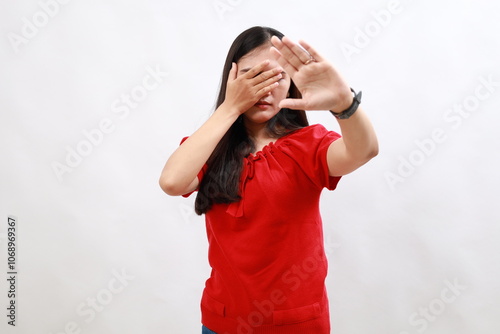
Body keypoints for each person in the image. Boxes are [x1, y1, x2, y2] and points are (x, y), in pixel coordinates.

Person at [159, 26, 378, 334]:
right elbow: (172, 182)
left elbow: (364, 150)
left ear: (291, 83)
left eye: (276, 76)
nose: (264, 87)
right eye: (251, 76)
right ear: (232, 81)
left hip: (296, 323)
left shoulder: (309, 144)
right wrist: (231, 107)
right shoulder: (210, 146)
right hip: (222, 322)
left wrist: (345, 104)